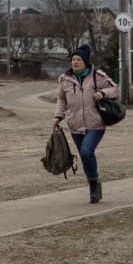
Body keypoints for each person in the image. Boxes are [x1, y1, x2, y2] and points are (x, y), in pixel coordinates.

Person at [52, 44, 118, 203]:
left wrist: (102, 93)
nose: (75, 62)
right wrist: (58, 116)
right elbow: (61, 100)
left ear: (86, 62)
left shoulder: (97, 76)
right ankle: (92, 183)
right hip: (75, 125)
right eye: (73, 59)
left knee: (87, 152)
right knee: (84, 155)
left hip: (95, 123)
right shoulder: (65, 79)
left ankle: (94, 182)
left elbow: (115, 90)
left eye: (78, 59)